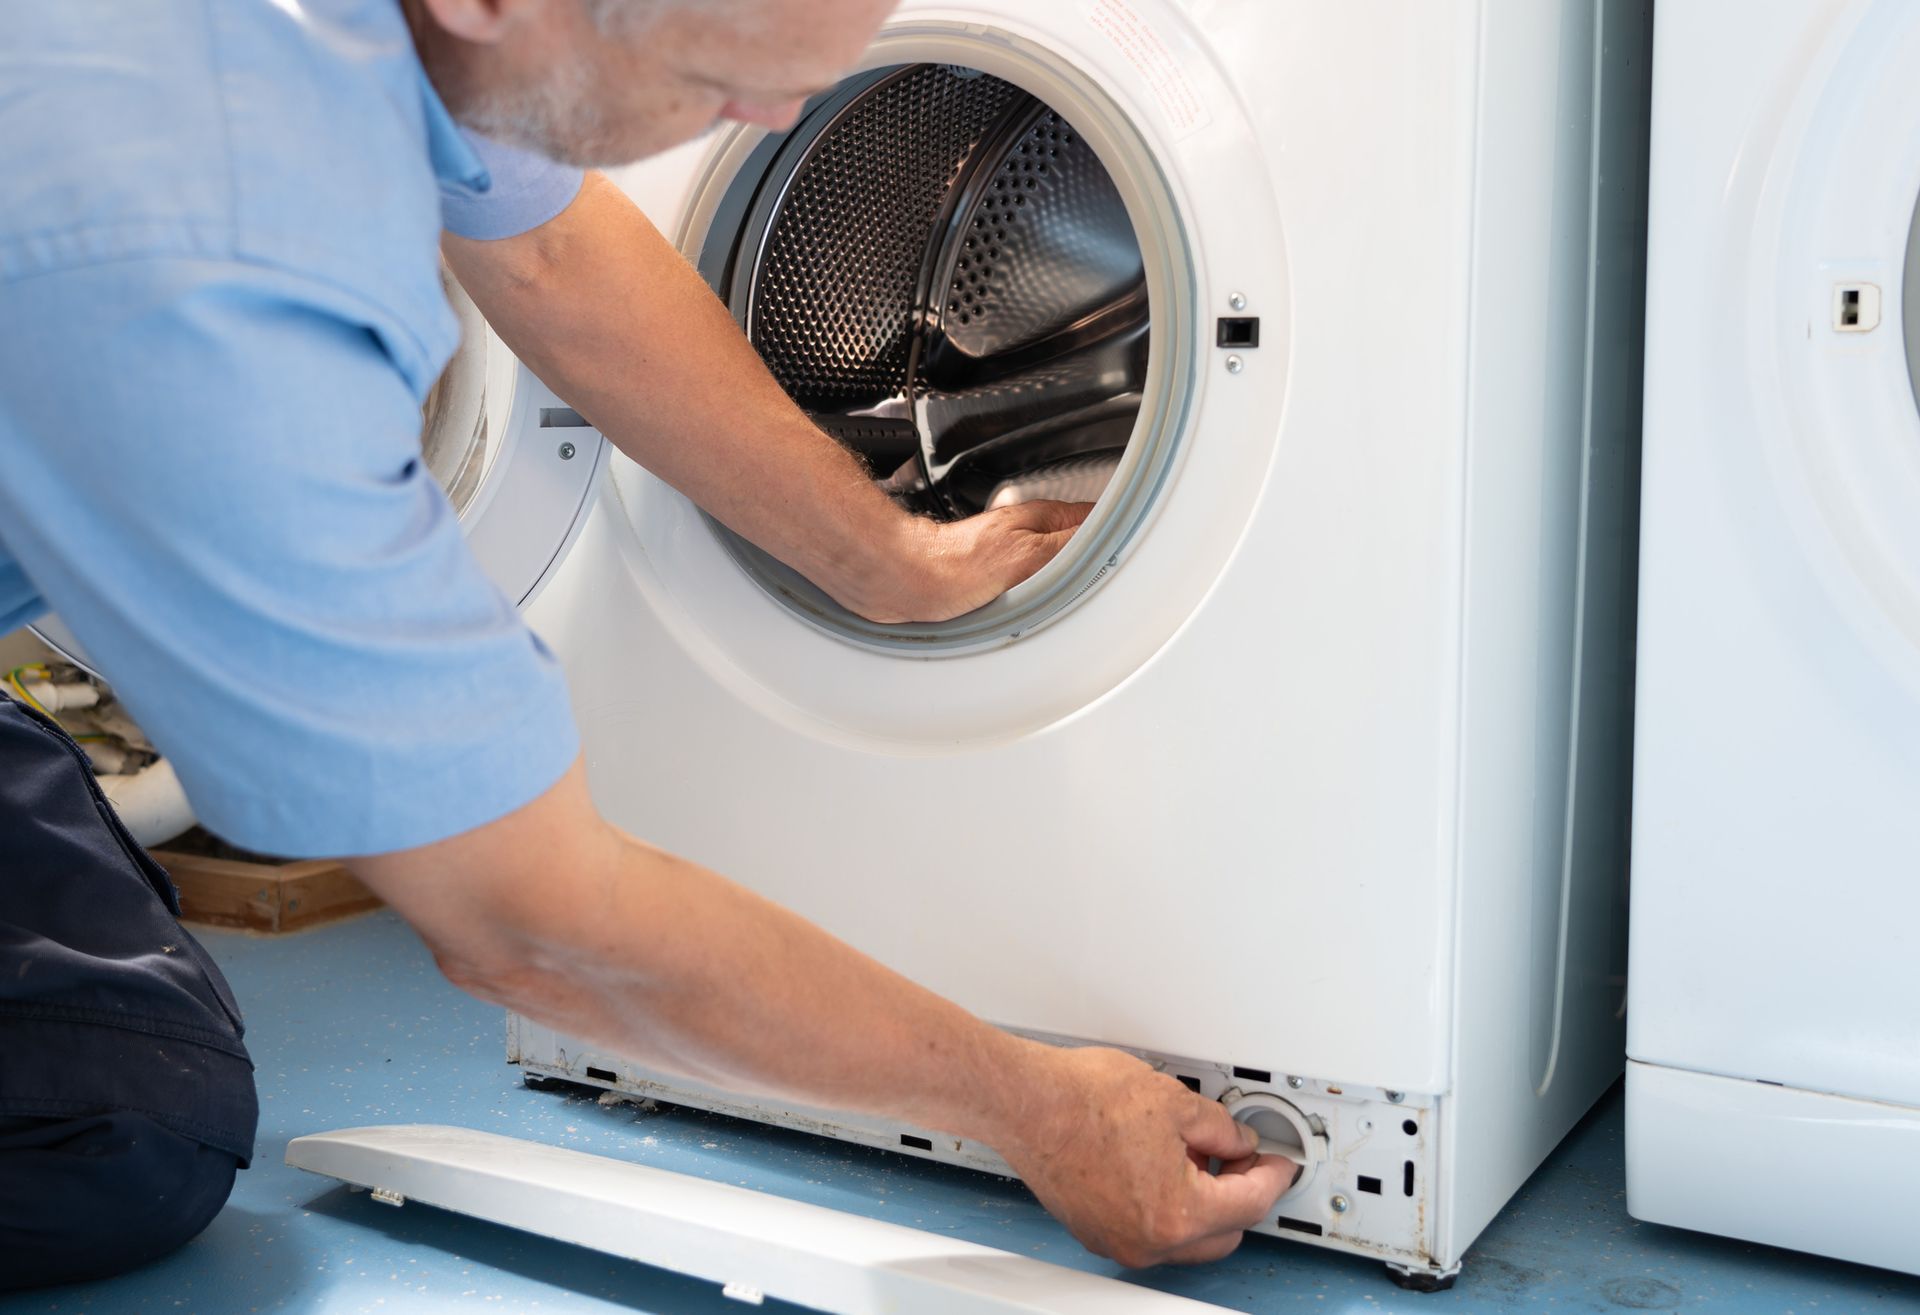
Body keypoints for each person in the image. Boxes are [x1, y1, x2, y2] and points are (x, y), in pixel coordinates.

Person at [0, 0, 1296, 1288]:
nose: (784, 120)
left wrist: (879, 555)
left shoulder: (393, 37)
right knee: (127, 1127)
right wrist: (1040, 1108)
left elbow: (555, 252)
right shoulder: (201, 264)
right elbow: (530, 922)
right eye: (714, 75)